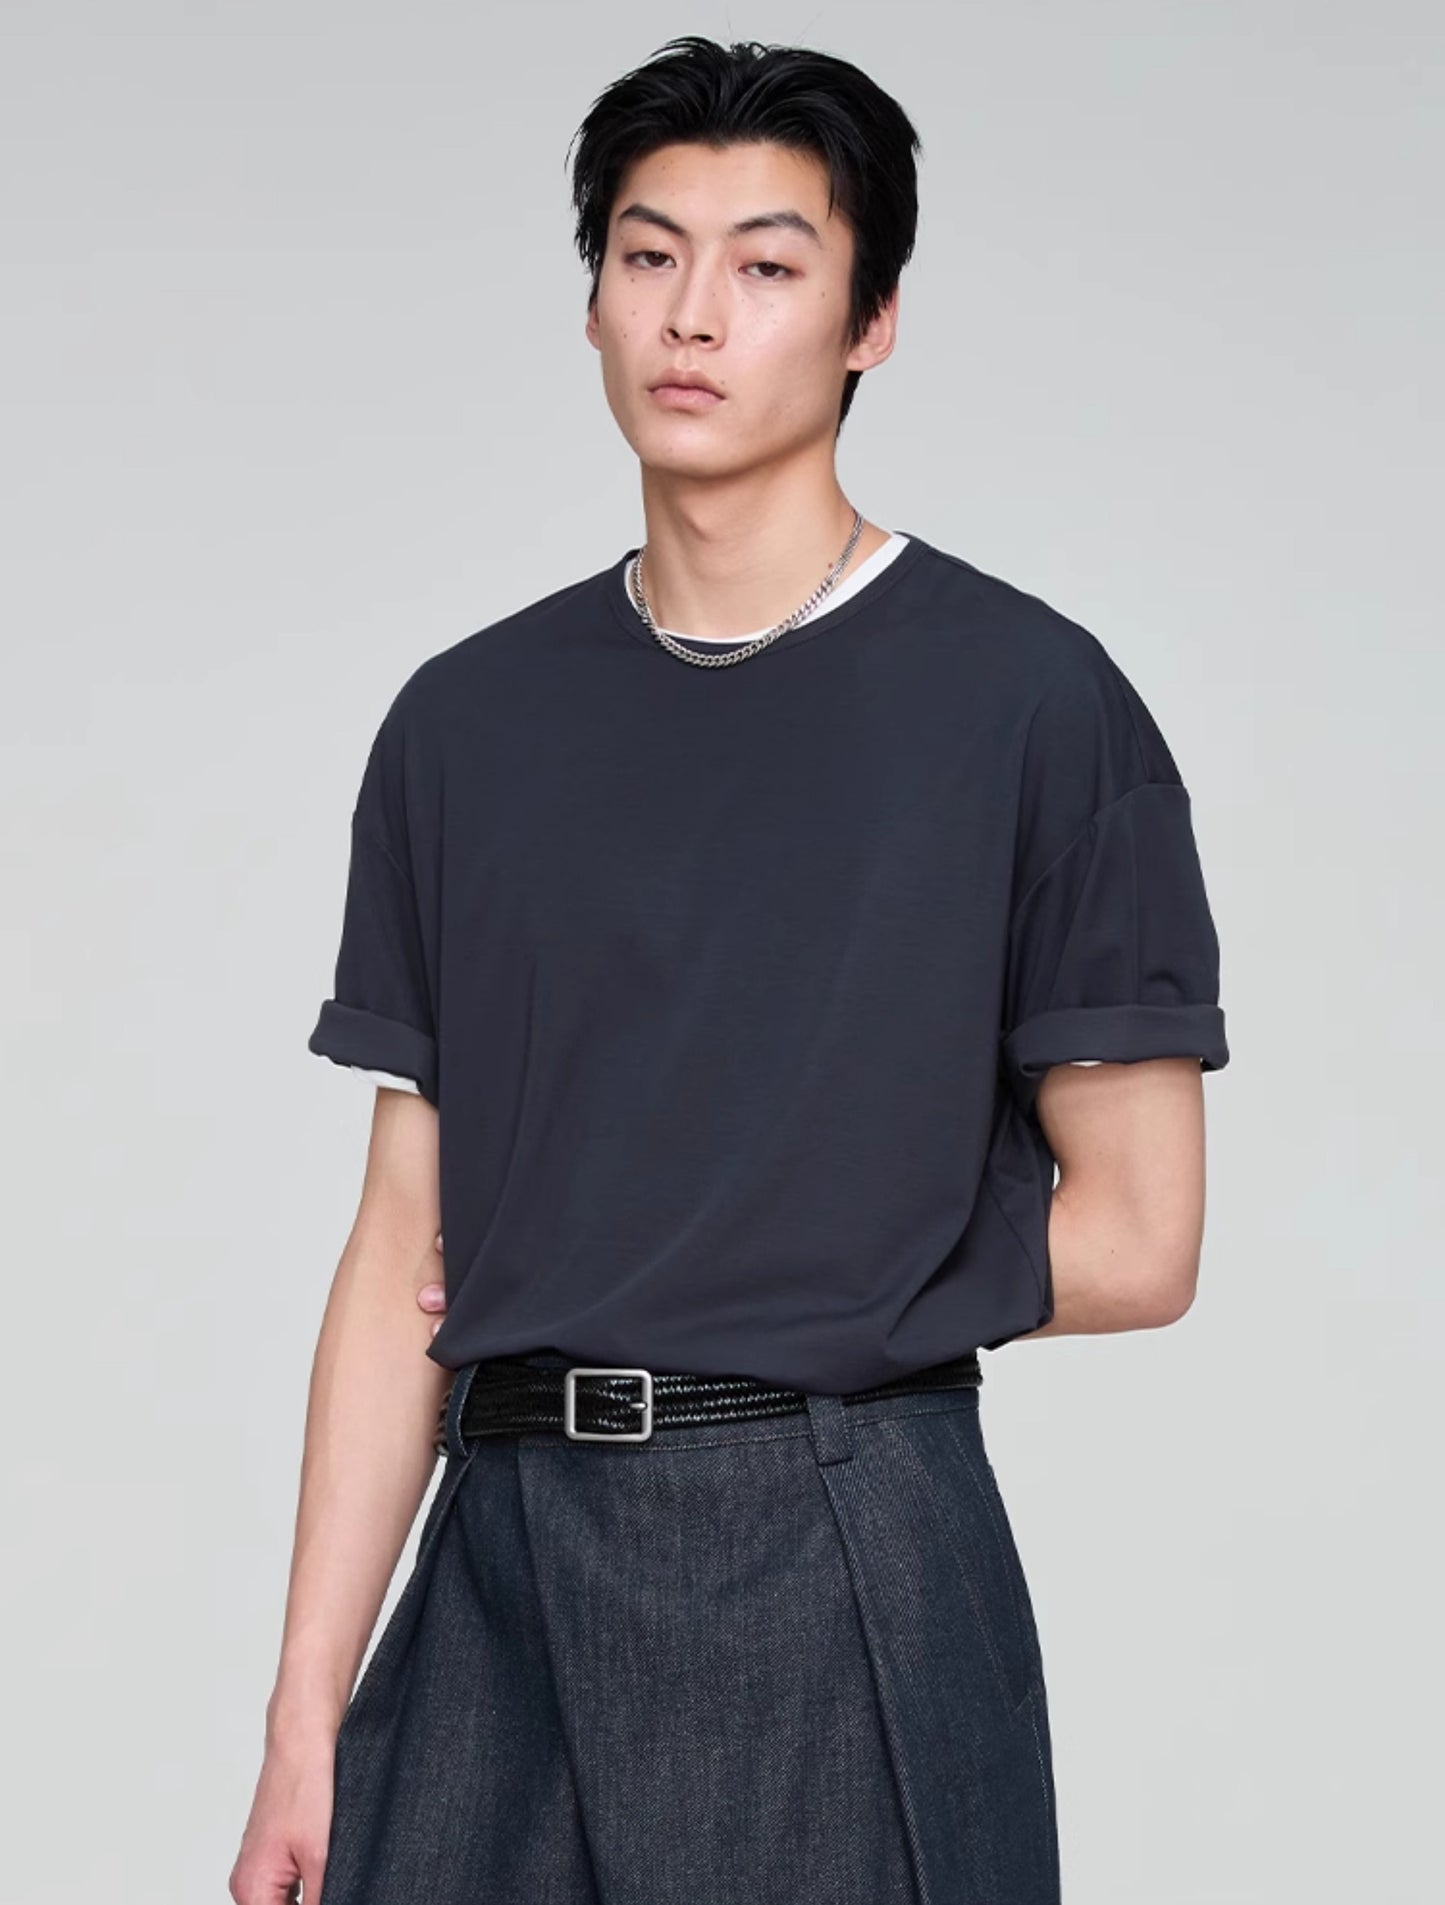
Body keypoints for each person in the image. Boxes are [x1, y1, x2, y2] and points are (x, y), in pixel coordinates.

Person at [229, 34, 1229, 1905]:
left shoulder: (1028, 704)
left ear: (870, 323)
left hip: (827, 1533)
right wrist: (305, 1713)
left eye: (767, 265)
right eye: (647, 253)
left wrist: (728, 1265)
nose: (693, 314)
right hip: (500, 1546)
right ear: (592, 298)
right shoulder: (465, 724)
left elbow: (1138, 1236)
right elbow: (395, 1252)